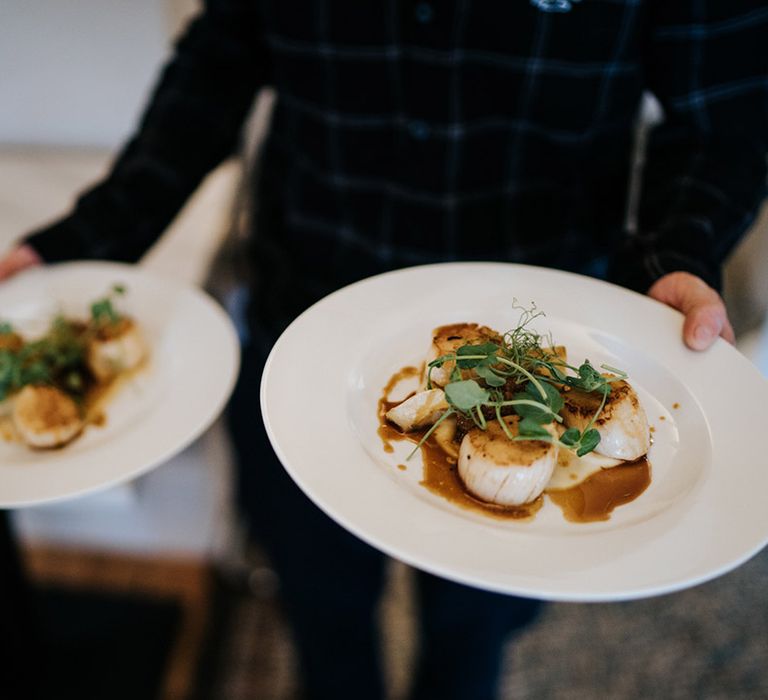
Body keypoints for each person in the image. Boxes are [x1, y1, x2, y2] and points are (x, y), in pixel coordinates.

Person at [2, 1, 766, 697]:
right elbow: (220, 58)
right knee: (319, 602)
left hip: (551, 326)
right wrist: (86, 239)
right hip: (302, 311)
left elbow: (724, 116)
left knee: (474, 631)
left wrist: (678, 253)